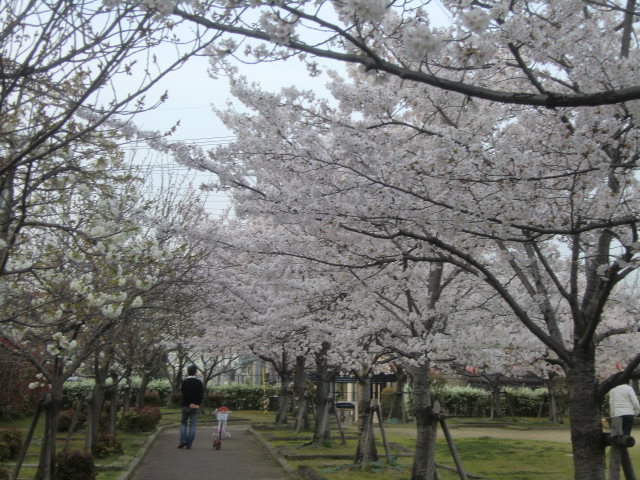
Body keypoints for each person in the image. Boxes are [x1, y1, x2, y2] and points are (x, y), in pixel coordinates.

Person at [178, 365, 204, 449]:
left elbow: (184, 394)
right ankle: (189, 444)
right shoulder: (199, 382)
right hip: (195, 407)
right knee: (192, 425)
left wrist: (189, 403)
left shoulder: (184, 382)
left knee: (183, 424)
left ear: (188, 372)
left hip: (186, 405)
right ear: (195, 372)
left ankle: (183, 441)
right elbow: (201, 395)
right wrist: (197, 404)